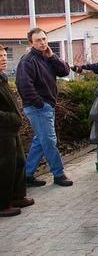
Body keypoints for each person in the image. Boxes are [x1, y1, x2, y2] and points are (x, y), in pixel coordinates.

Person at [16, 28, 73, 187]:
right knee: (49, 140)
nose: (42, 43)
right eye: (38, 40)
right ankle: (59, 174)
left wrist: (52, 56)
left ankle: (26, 175)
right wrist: (40, 103)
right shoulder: (28, 61)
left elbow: (65, 71)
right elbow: (23, 85)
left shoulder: (47, 57)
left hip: (47, 106)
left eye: (44, 39)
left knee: (40, 141)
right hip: (38, 108)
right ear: (31, 43)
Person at [0, 45, 35, 217]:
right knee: (4, 167)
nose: (4, 58)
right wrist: (11, 118)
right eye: (0, 56)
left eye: (5, 55)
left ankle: (16, 196)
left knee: (18, 162)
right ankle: (2, 204)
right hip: (2, 131)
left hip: (10, 130)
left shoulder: (2, 78)